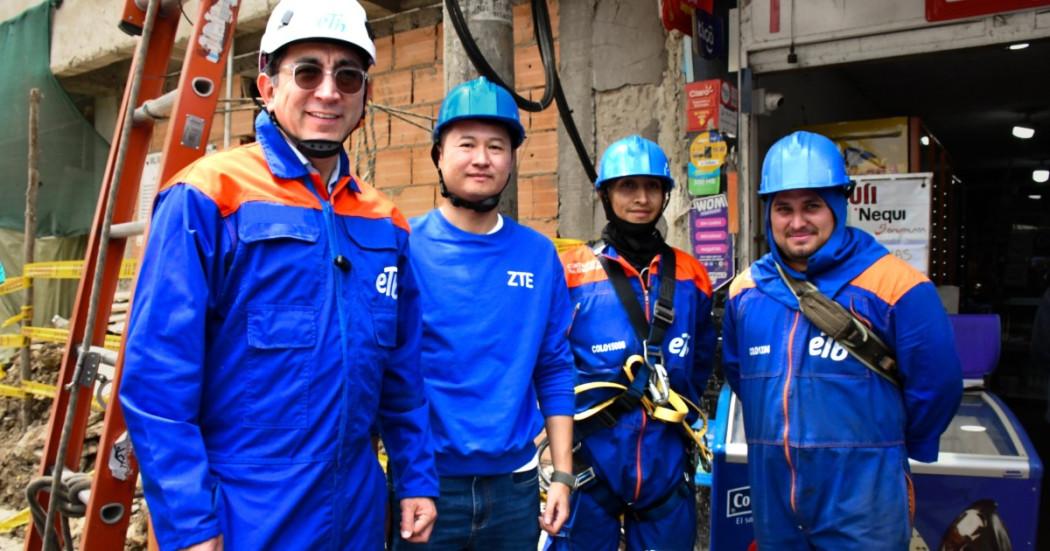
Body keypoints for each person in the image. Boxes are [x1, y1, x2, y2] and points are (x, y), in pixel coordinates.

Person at [120, 1, 438, 549]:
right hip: (247, 511)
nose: (328, 91)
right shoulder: (207, 197)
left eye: (348, 76)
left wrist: (416, 479)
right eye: (307, 71)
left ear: (364, 97)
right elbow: (158, 381)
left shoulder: (385, 222)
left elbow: (402, 376)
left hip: (356, 511)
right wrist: (190, 522)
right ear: (267, 87)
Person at [721, 130, 963, 550]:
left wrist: (885, 450)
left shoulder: (897, 288)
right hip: (774, 503)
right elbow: (741, 377)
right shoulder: (745, 291)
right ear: (768, 213)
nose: (797, 222)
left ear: (838, 204)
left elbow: (937, 387)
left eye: (812, 206)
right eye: (784, 208)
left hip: (864, 508)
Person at [393, 77, 575, 550]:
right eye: (466, 143)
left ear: (513, 160)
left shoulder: (538, 255)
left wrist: (562, 475)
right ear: (438, 154)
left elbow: (553, 366)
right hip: (424, 485)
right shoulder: (402, 247)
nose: (481, 158)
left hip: (514, 488)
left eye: (497, 146)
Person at [547, 135, 716, 551]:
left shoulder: (691, 275)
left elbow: (700, 363)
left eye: (652, 187)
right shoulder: (572, 271)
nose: (641, 198)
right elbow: (549, 364)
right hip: (591, 463)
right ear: (605, 194)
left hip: (665, 464)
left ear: (664, 194)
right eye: (627, 187)